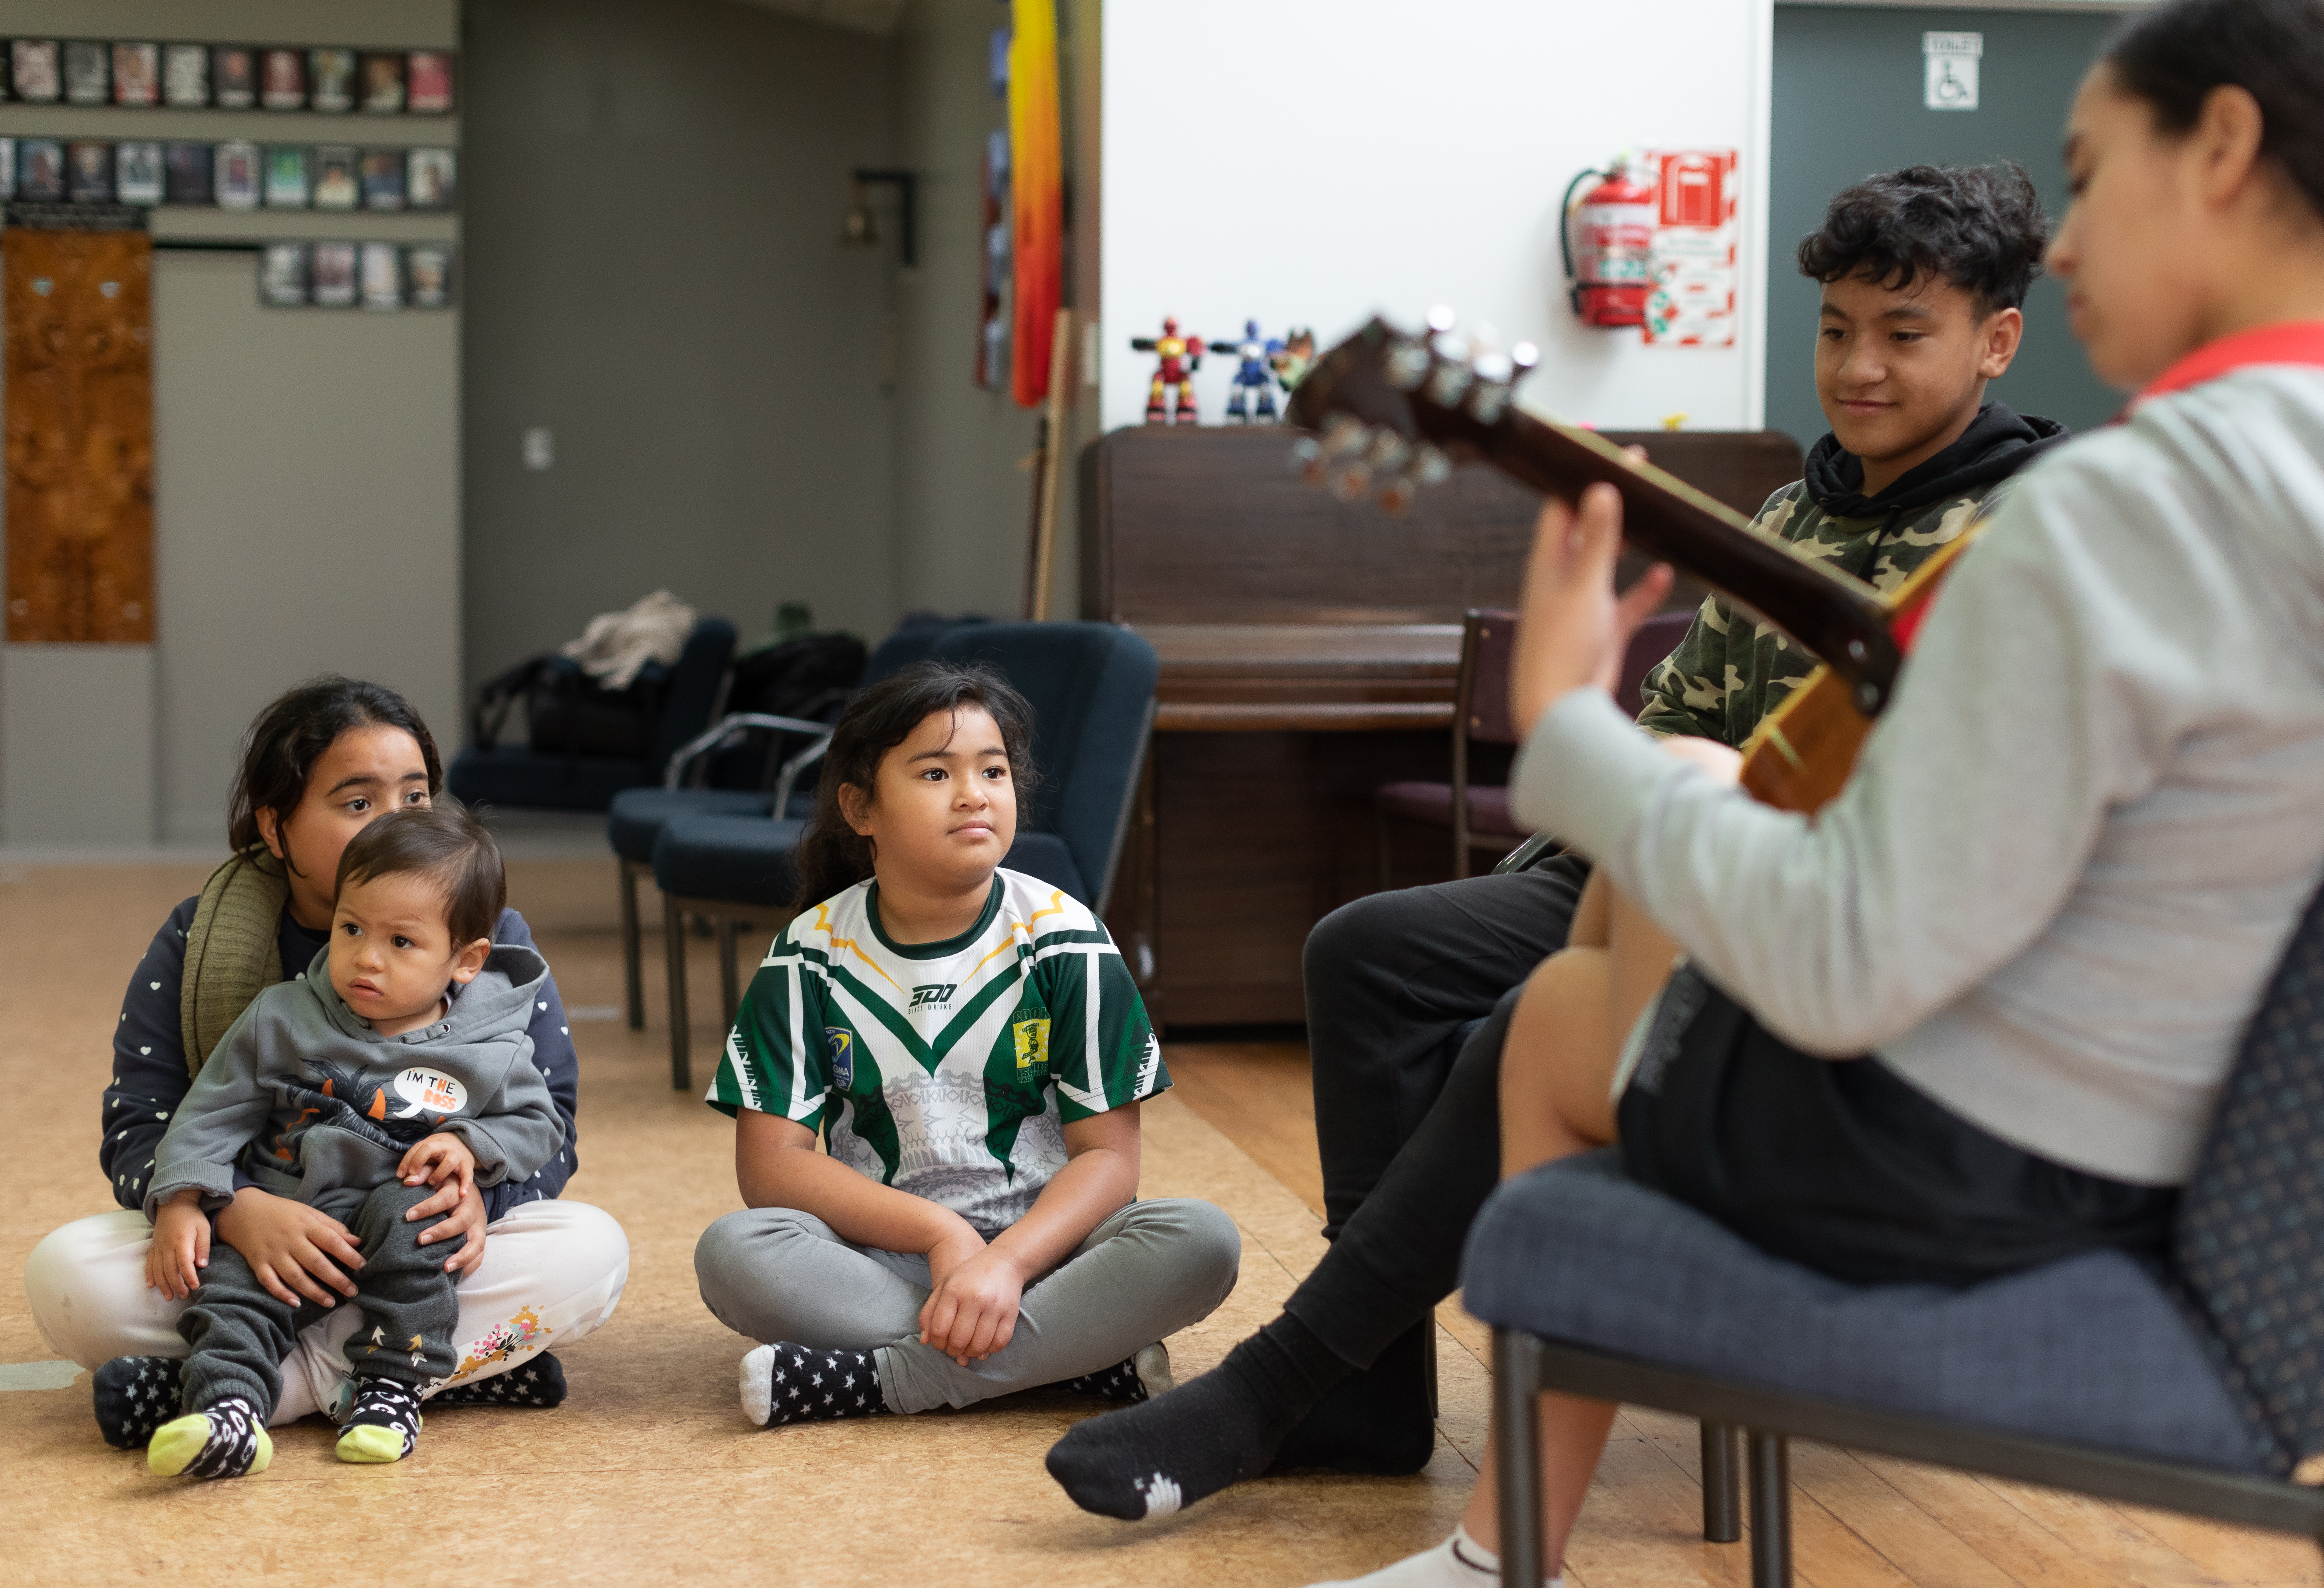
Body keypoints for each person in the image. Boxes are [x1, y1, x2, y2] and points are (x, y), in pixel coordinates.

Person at [1325, 0, 2324, 1579]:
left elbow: (1839, 961)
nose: (2071, 247)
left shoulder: (2129, 505)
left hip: (2011, 1175)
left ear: (2219, 146)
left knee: (1557, 1018)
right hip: (2259, 1181)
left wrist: (1565, 717)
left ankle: (1486, 1551)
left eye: (2089, 180)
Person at [1046, 161, 2070, 1518]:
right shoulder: (1783, 511)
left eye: (1902, 332)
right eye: (1833, 329)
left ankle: (1291, 1376)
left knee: (1522, 1023)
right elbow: (1673, 716)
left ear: (1995, 340)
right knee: (1367, 951)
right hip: (1664, 869)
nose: (1857, 366)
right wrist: (1643, 782)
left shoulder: (2031, 528)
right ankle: (1371, 1389)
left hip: (1833, 934)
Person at [24, 677, 630, 1440]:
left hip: (418, 1246)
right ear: (275, 826)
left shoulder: (488, 937)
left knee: (591, 1251)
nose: (395, 824)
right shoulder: (200, 939)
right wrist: (235, 1209)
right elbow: (141, 1128)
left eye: (416, 798)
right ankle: (424, 1372)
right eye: (357, 802)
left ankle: (248, 1389)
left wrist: (473, 1198)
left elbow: (550, 1126)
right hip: (257, 1241)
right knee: (67, 1275)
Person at [693, 663, 1240, 1436]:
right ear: (860, 808)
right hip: (883, 1257)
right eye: (934, 772)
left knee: (1200, 1236)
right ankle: (1075, 1358)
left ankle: (886, 1379)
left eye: (992, 769)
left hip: (1053, 1255)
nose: (974, 792)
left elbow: (1109, 1162)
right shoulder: (807, 954)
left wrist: (1006, 1262)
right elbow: (772, 1165)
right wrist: (943, 1235)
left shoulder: (1067, 938)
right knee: (733, 1250)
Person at [120, 802, 564, 1478]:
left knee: (514, 1240)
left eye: (401, 943)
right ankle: (229, 1414)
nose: (365, 959)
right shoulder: (281, 1015)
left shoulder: (494, 1044)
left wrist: (472, 1149)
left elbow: (540, 1125)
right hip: (286, 1223)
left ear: (467, 960)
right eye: (351, 927)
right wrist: (186, 1202)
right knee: (225, 1292)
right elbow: (210, 1111)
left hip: (401, 1226)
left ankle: (389, 1388)